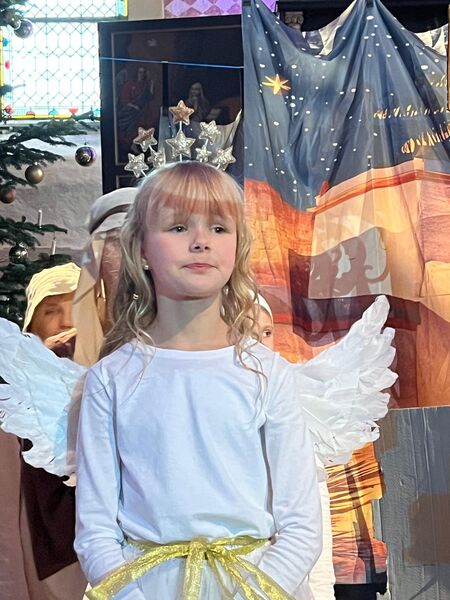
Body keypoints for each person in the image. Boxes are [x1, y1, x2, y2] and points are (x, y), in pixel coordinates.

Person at [74, 161, 323, 599]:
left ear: (238, 247)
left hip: (255, 586)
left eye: (219, 228)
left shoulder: (266, 375)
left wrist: (256, 594)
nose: (201, 241)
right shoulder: (111, 380)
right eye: (178, 227)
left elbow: (301, 526)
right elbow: (95, 530)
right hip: (146, 588)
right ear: (141, 249)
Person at [252, 293, 397, 600]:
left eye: (266, 332)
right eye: (245, 332)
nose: (258, 344)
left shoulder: (294, 398)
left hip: (281, 575)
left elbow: (313, 519)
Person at [72, 187, 138, 367]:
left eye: (139, 242)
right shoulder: (71, 343)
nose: (132, 257)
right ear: (97, 258)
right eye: (118, 243)